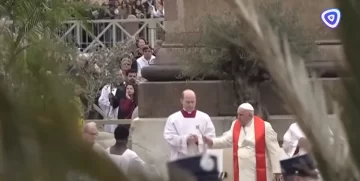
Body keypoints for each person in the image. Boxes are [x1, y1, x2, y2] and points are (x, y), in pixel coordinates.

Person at [203, 103, 282, 181]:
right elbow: (227, 140)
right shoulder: (235, 125)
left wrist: (277, 171)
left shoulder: (265, 126)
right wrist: (212, 141)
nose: (238, 117)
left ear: (250, 116)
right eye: (238, 115)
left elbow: (274, 150)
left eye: (241, 115)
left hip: (258, 172)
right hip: (241, 171)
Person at [163, 89, 216, 161]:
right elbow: (169, 138)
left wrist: (199, 140)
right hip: (180, 159)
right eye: (188, 102)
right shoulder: (173, 119)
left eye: (192, 102)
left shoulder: (204, 117)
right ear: (181, 101)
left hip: (200, 159)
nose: (191, 105)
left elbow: (211, 136)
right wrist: (186, 139)